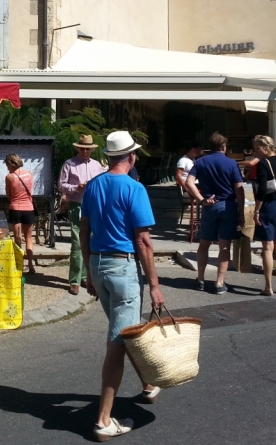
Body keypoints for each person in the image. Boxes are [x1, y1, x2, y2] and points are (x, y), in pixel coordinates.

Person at [80, 131, 165, 441]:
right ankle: (103, 420)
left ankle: (148, 384)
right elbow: (143, 241)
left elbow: (84, 230)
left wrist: (89, 271)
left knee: (126, 331)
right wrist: (154, 284)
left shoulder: (93, 185)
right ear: (131, 156)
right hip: (122, 266)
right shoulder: (134, 188)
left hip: (98, 264)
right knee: (118, 341)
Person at [184, 132, 245, 294]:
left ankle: (200, 279)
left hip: (209, 206)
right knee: (224, 246)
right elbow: (239, 189)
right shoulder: (232, 163)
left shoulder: (200, 162)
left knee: (204, 243)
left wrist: (201, 199)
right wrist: (241, 211)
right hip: (228, 206)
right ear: (224, 147)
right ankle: (219, 282)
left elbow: (189, 182)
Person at [58, 134, 105, 295]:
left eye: (88, 149)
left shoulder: (97, 165)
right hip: (76, 205)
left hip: (93, 206)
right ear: (78, 148)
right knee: (77, 243)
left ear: (91, 150)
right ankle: (74, 280)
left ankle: (86, 277)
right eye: (83, 149)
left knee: (91, 241)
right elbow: (61, 185)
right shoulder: (69, 164)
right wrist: (76, 188)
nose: (85, 151)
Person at [252, 135, 276, 296]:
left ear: (264, 147)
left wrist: (256, 210)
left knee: (267, 248)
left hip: (268, 206)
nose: (256, 152)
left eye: (257, 148)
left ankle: (268, 287)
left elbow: (262, 189)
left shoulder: (263, 163)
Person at [4, 153, 37, 274]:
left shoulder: (9, 177)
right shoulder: (30, 174)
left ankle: (20, 265)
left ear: (12, 164)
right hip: (29, 208)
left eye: (7, 165)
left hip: (16, 208)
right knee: (28, 238)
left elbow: (9, 195)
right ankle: (30, 264)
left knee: (18, 238)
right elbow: (30, 191)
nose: (7, 168)